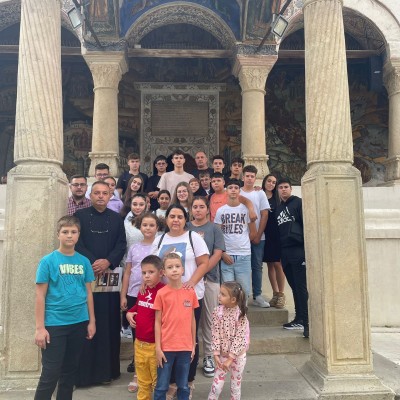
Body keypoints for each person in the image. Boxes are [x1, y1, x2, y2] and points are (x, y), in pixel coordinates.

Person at [150, 204, 209, 398]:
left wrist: (191, 282)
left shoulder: (193, 237)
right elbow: (153, 266)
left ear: (186, 220)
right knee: (168, 338)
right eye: (172, 216)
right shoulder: (159, 240)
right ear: (166, 219)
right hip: (166, 297)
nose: (176, 220)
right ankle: (171, 383)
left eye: (180, 217)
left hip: (190, 296)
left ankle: (188, 382)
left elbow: (204, 263)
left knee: (189, 338)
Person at [34, 215, 96, 400]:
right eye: (65, 232)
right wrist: (40, 328)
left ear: (78, 235)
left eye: (73, 232)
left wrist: (91, 321)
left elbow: (89, 293)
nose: (69, 235)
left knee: (69, 372)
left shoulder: (84, 261)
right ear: (58, 234)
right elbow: (40, 295)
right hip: (55, 324)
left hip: (79, 322)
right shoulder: (48, 261)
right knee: (50, 373)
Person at [74, 181, 127, 386]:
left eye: (105, 193)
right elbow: (77, 243)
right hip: (87, 277)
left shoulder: (116, 218)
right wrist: (93, 262)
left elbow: (121, 244)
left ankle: (107, 372)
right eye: (97, 193)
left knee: (108, 324)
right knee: (87, 321)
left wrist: (108, 261)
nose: (101, 196)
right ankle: (85, 375)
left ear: (110, 195)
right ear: (91, 195)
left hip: (109, 283)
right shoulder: (80, 216)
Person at [121, 212, 161, 393]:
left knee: (151, 333)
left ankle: (154, 374)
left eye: (152, 225)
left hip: (152, 295)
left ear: (157, 227)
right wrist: (123, 295)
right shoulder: (134, 247)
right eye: (145, 225)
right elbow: (128, 272)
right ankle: (138, 374)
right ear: (140, 227)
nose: (148, 228)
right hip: (134, 294)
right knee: (137, 335)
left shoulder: (159, 246)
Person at [188, 197, 225, 378]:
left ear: (207, 209)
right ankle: (190, 354)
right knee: (189, 320)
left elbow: (217, 254)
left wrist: (201, 272)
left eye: (201, 206)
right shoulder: (185, 227)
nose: (198, 210)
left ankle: (209, 356)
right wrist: (195, 277)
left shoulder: (214, 229)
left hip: (210, 279)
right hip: (189, 281)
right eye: (195, 207)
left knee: (209, 319)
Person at [153, 253, 199, 400]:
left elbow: (192, 319)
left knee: (183, 385)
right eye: (170, 267)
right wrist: (158, 348)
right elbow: (157, 322)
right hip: (166, 347)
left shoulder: (190, 292)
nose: (174, 269)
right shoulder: (161, 293)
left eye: (177, 266)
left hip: (185, 347)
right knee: (161, 386)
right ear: (163, 272)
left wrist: (193, 344)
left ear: (183, 269)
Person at [126, 255, 165, 400]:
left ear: (161, 273)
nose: (146, 276)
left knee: (157, 382)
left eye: (151, 272)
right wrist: (129, 313)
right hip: (139, 344)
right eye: (144, 273)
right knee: (142, 381)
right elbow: (138, 306)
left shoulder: (164, 291)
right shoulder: (142, 290)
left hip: (155, 345)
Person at [276, 178, 309, 338]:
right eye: (280, 187)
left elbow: (306, 226)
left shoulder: (298, 203)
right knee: (294, 287)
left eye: (286, 187)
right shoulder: (279, 209)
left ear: (291, 189)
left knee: (301, 287)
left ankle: (307, 322)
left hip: (298, 250)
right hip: (285, 253)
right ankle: (299, 318)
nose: (283, 189)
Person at [214, 179, 257, 300]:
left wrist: (242, 242)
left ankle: (242, 313)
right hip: (226, 256)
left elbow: (253, 232)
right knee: (228, 292)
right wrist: (222, 253)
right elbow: (217, 235)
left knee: (244, 291)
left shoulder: (246, 210)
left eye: (236, 188)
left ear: (239, 191)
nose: (233, 190)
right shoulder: (221, 211)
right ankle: (230, 313)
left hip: (244, 256)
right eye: (230, 187)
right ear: (226, 191)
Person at [208, 281, 249, 400]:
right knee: (216, 386)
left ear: (233, 299)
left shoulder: (240, 315)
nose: (219, 296)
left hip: (238, 356)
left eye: (223, 294)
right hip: (222, 355)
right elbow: (215, 332)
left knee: (235, 385)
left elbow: (239, 338)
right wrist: (216, 354)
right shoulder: (217, 312)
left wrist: (230, 358)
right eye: (220, 293)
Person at [240, 165, 270, 308]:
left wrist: (258, 235)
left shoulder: (260, 193)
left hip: (259, 237)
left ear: (255, 178)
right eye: (247, 176)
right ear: (243, 177)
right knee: (242, 267)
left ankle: (257, 295)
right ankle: (242, 296)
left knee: (257, 266)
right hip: (241, 238)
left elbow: (264, 214)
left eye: (252, 176)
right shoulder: (237, 192)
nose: (250, 179)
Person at [262, 174, 285, 309]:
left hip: (276, 234)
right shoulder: (259, 195)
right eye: (269, 181)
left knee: (278, 264)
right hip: (264, 234)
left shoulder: (278, 198)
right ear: (265, 182)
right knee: (270, 264)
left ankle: (281, 294)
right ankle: (275, 293)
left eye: (274, 182)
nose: (271, 184)